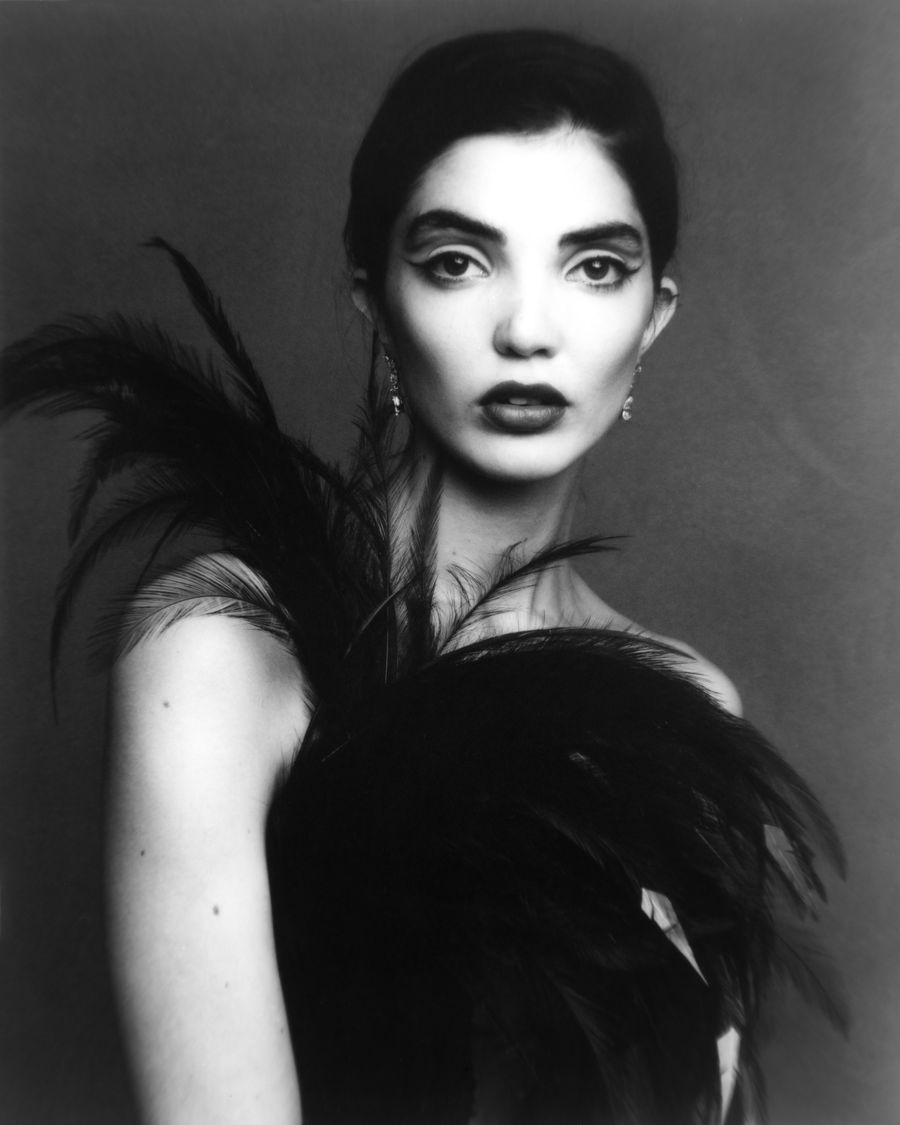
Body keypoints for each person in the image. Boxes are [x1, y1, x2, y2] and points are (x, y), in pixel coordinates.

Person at [1, 29, 841, 1125]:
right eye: (458, 261)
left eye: (595, 266)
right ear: (374, 299)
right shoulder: (224, 650)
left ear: (654, 318)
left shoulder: (689, 707)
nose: (527, 329)